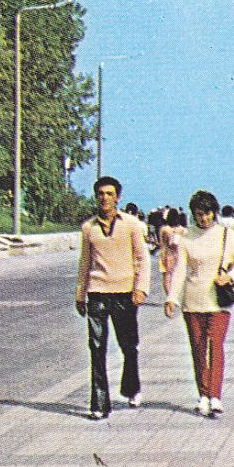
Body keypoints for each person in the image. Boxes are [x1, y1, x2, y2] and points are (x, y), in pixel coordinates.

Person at [165, 190, 234, 417]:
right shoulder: (186, 237)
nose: (204, 218)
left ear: (215, 212)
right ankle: (203, 395)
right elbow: (180, 270)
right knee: (198, 348)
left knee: (215, 345)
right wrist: (172, 297)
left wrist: (230, 277)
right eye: (199, 214)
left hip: (218, 301)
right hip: (193, 301)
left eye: (208, 213)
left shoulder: (225, 234)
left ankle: (216, 395)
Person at [76, 176, 151, 420]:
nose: (105, 198)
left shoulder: (131, 225)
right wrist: (80, 294)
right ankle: (99, 403)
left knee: (128, 345)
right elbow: (85, 263)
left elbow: (142, 259)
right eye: (100, 194)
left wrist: (140, 288)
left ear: (118, 197)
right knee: (96, 347)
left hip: (124, 292)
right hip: (97, 292)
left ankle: (131, 387)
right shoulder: (89, 228)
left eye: (109, 194)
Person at [157, 207, 186, 291]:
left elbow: (161, 243)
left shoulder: (164, 229)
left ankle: (169, 296)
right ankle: (175, 295)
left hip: (167, 254)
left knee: (167, 276)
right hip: (178, 254)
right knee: (177, 276)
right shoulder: (182, 230)